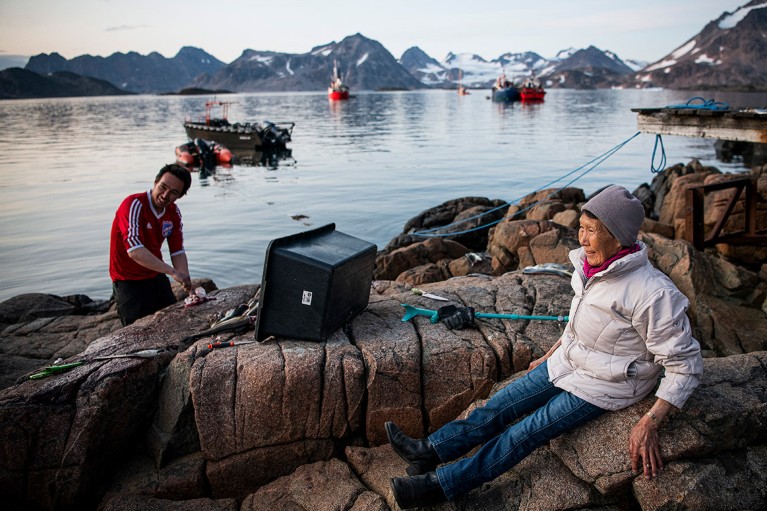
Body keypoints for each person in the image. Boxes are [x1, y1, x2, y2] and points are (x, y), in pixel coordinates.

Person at [386, 185, 704, 509]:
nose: (582, 238)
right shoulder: (591, 268)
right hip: (568, 362)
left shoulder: (653, 293)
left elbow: (686, 364)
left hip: (606, 384)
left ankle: (440, 485)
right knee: (498, 407)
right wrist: (553, 352)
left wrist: (650, 421)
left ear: (618, 235)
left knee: (522, 434)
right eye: (581, 228)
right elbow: (583, 323)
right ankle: (428, 451)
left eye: (591, 231)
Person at [109, 163, 194, 326]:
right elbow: (134, 250)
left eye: (174, 192)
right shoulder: (134, 204)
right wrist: (172, 272)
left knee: (172, 322)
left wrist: (186, 281)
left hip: (155, 275)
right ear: (155, 182)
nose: (165, 195)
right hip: (127, 279)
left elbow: (177, 250)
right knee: (135, 333)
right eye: (163, 187)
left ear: (180, 196)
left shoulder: (173, 213)